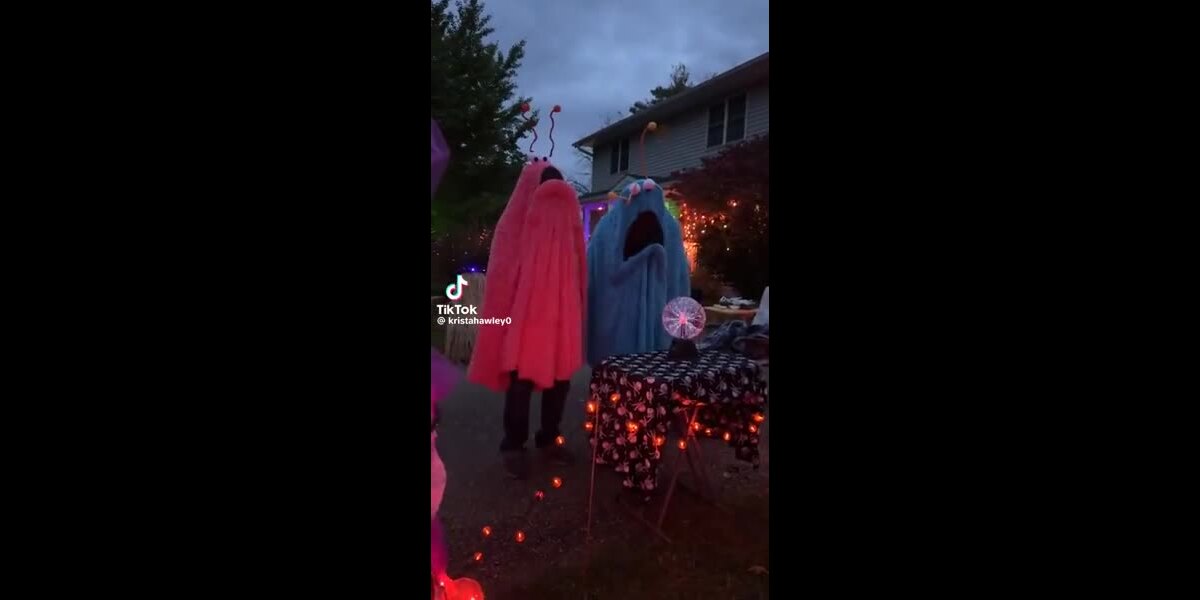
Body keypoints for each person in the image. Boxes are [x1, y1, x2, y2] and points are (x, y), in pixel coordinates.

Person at [467, 105, 586, 479]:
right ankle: (513, 444)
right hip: (526, 319)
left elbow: (578, 268)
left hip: (560, 317)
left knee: (559, 382)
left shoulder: (566, 217)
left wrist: (576, 309)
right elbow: (502, 276)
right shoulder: (514, 225)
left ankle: (548, 439)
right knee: (521, 383)